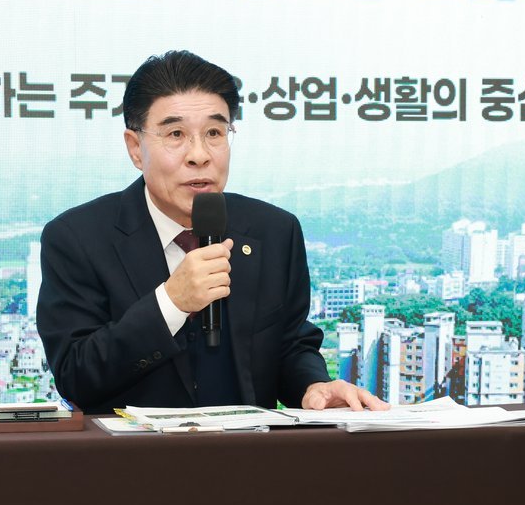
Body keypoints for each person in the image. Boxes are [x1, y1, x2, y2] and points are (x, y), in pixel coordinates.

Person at [36, 50, 388, 415]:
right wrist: (171, 302)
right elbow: (76, 374)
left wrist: (313, 386)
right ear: (135, 148)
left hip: (248, 449)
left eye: (215, 133)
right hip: (132, 451)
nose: (199, 155)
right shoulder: (77, 238)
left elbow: (290, 346)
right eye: (176, 134)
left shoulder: (274, 230)